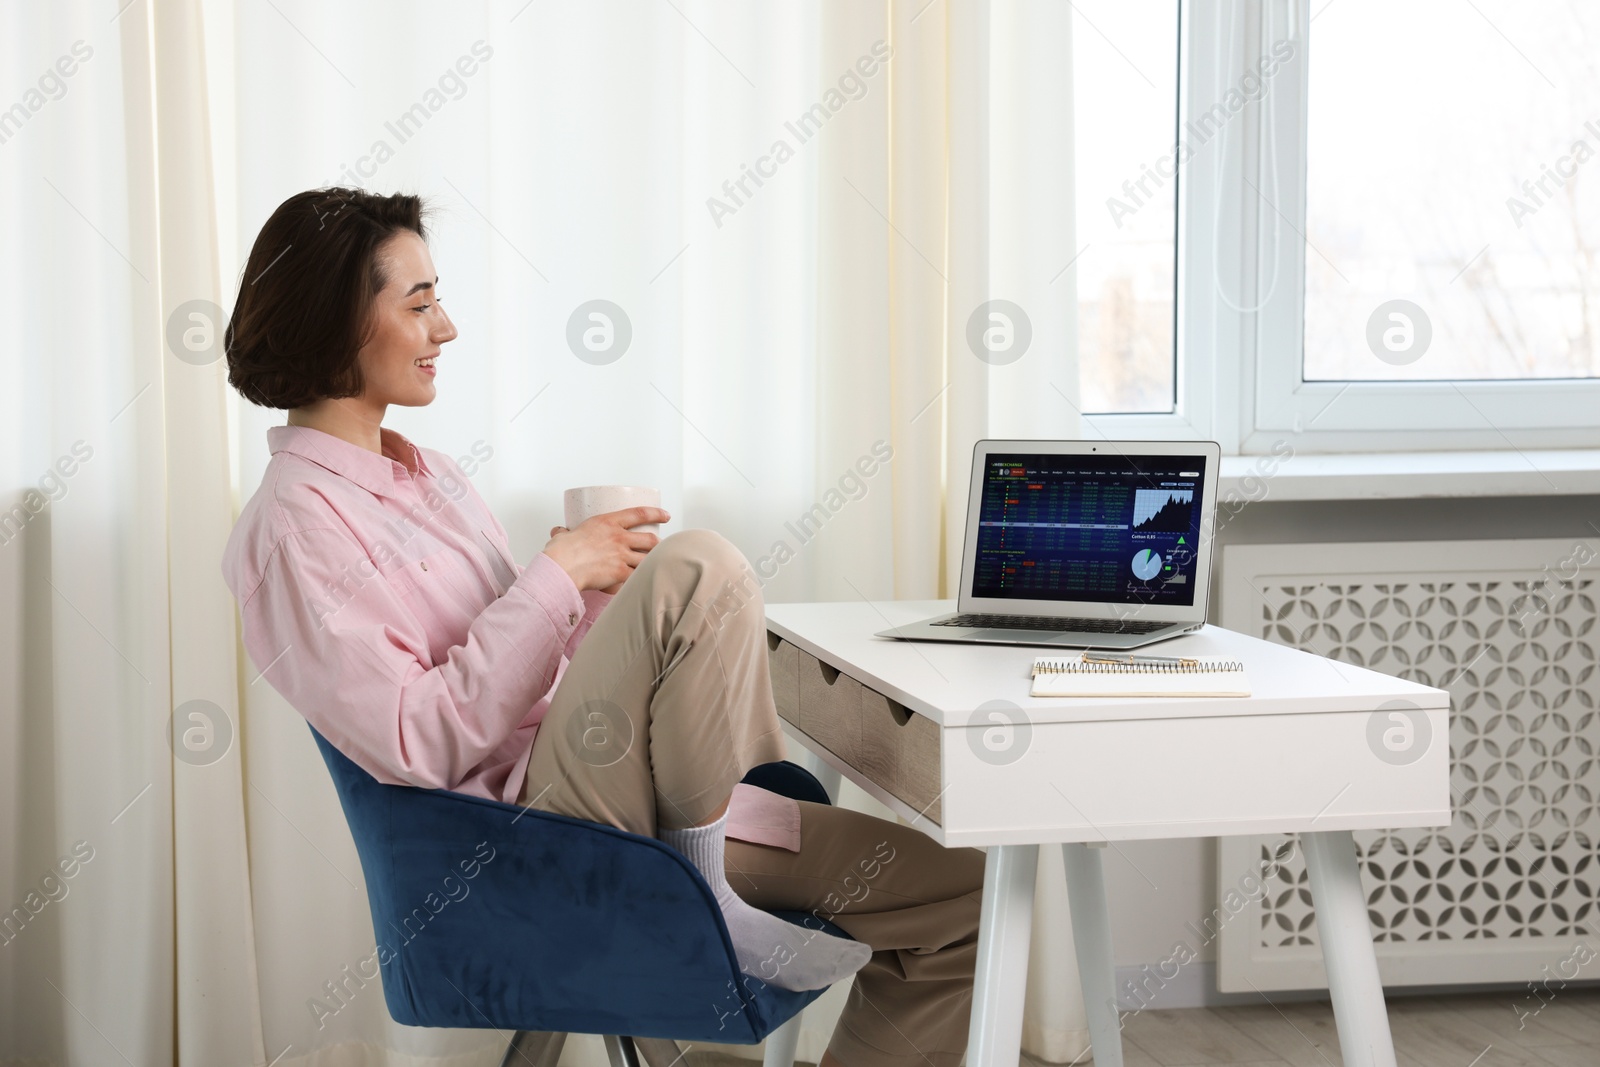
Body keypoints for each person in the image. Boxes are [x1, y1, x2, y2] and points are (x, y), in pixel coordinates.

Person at [219, 187, 985, 1067]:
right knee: (700, 565)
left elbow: (534, 681)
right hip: (522, 839)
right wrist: (554, 576)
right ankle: (703, 887)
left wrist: (578, 594)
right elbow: (416, 739)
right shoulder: (293, 528)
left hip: (616, 787)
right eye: (420, 303)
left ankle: (705, 867)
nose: (448, 328)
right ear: (335, 320)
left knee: (962, 895)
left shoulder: (427, 477)